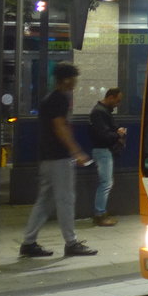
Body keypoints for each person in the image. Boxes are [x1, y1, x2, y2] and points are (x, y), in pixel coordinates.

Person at [20, 62, 98, 258]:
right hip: (59, 158)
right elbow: (60, 127)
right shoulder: (60, 99)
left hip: (47, 157)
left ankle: (28, 243)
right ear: (66, 79)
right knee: (66, 200)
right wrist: (76, 152)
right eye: (74, 78)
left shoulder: (50, 99)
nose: (75, 83)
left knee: (44, 202)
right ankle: (71, 243)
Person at [88, 87, 126, 227]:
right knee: (106, 183)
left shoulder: (102, 111)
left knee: (106, 183)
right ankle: (100, 214)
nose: (118, 104)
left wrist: (116, 131)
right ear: (110, 97)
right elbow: (103, 135)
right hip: (103, 151)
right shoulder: (99, 112)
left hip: (103, 150)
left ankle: (100, 213)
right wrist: (118, 134)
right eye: (117, 100)